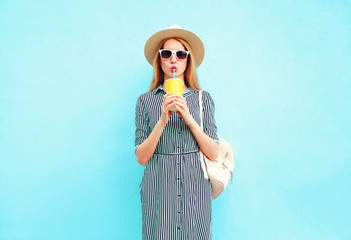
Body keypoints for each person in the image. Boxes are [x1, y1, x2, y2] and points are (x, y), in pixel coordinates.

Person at [135, 25, 219, 240]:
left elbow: (213, 152)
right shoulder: (146, 100)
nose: (174, 60)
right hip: (159, 185)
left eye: (180, 54)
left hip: (196, 186)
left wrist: (189, 118)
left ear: (187, 60)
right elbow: (142, 158)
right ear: (160, 59)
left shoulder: (203, 99)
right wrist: (162, 120)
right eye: (167, 53)